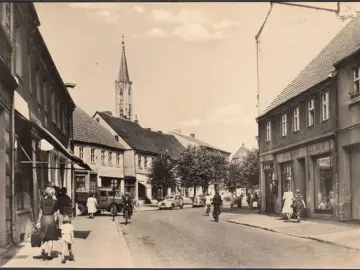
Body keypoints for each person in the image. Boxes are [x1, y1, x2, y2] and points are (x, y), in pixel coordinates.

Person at [36, 187, 59, 261]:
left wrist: (38, 221)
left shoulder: (42, 201)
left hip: (44, 218)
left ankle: (42, 248)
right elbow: (56, 213)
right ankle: (49, 254)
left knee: (44, 236)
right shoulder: (55, 201)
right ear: (53, 193)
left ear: (46, 192)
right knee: (51, 238)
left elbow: (40, 212)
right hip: (51, 219)